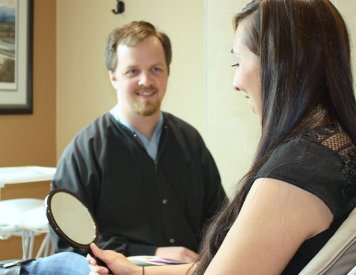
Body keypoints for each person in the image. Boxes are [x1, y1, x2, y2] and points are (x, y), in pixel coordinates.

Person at [86, 0, 356, 274]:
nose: (235, 81)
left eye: (238, 62)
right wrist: (138, 270)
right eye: (133, 71)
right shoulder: (335, 148)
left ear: (279, 62)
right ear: (114, 78)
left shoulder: (294, 174)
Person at [15, 20, 226, 275]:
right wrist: (154, 254)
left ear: (168, 72)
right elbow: (71, 248)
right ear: (113, 77)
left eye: (156, 69)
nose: (145, 81)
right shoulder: (85, 152)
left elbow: (219, 220)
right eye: (132, 71)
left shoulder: (191, 142)